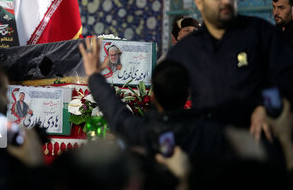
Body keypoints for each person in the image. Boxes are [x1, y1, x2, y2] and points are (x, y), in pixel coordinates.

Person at [166, 0, 293, 142]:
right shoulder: (185, 51)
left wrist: (266, 107)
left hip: (257, 143)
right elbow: (167, 108)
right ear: (199, 1)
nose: (226, 0)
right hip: (208, 147)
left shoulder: (261, 34)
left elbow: (284, 78)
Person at [79, 36, 233, 159]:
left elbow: (115, 112)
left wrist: (94, 75)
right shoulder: (208, 135)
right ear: (187, 93)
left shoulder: (140, 132)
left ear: (153, 95)